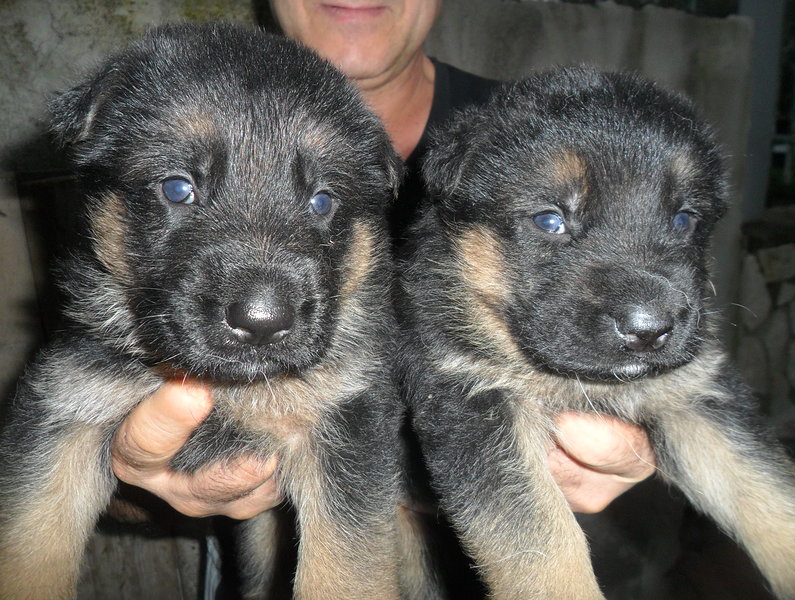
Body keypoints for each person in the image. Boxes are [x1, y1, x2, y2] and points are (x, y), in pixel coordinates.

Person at [111, 0, 656, 523]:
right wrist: (131, 486)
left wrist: (648, 421)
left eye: (323, 202)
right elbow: (79, 406)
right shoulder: (141, 130)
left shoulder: (563, 131)